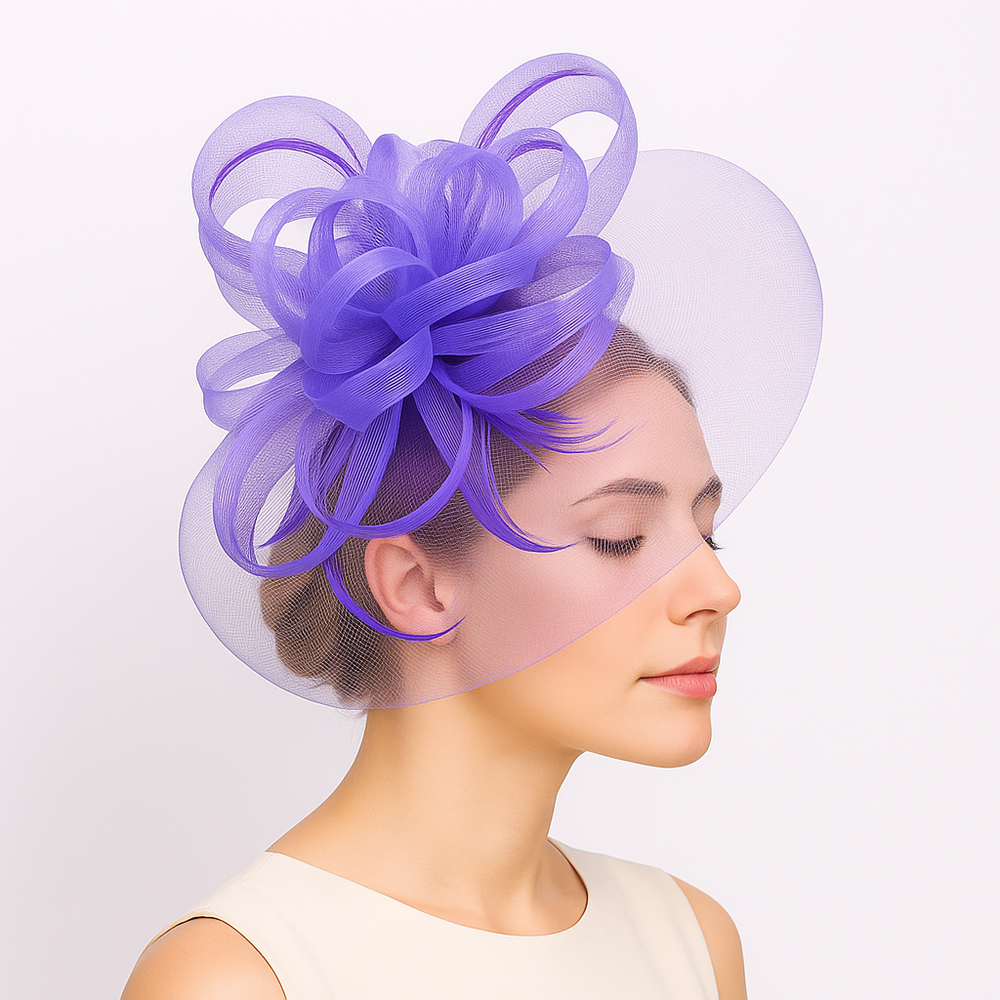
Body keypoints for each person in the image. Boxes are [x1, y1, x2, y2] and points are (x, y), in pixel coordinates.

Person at [122, 52, 821, 1000]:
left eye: (707, 531)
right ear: (415, 584)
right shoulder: (244, 979)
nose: (717, 589)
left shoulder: (693, 945)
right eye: (620, 536)